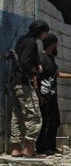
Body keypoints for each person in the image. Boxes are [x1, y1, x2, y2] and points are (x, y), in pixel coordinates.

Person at [36, 34, 71, 155]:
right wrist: (38, 95)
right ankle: (42, 148)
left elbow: (56, 73)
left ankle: (51, 147)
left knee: (54, 121)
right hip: (44, 95)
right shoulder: (41, 57)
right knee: (45, 122)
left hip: (52, 95)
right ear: (53, 44)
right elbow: (36, 76)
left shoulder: (50, 58)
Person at [9, 20, 49, 157]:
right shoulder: (31, 42)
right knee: (35, 116)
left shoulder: (22, 40)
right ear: (42, 32)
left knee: (18, 116)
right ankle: (29, 149)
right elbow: (24, 63)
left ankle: (16, 149)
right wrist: (36, 69)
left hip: (15, 82)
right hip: (23, 83)